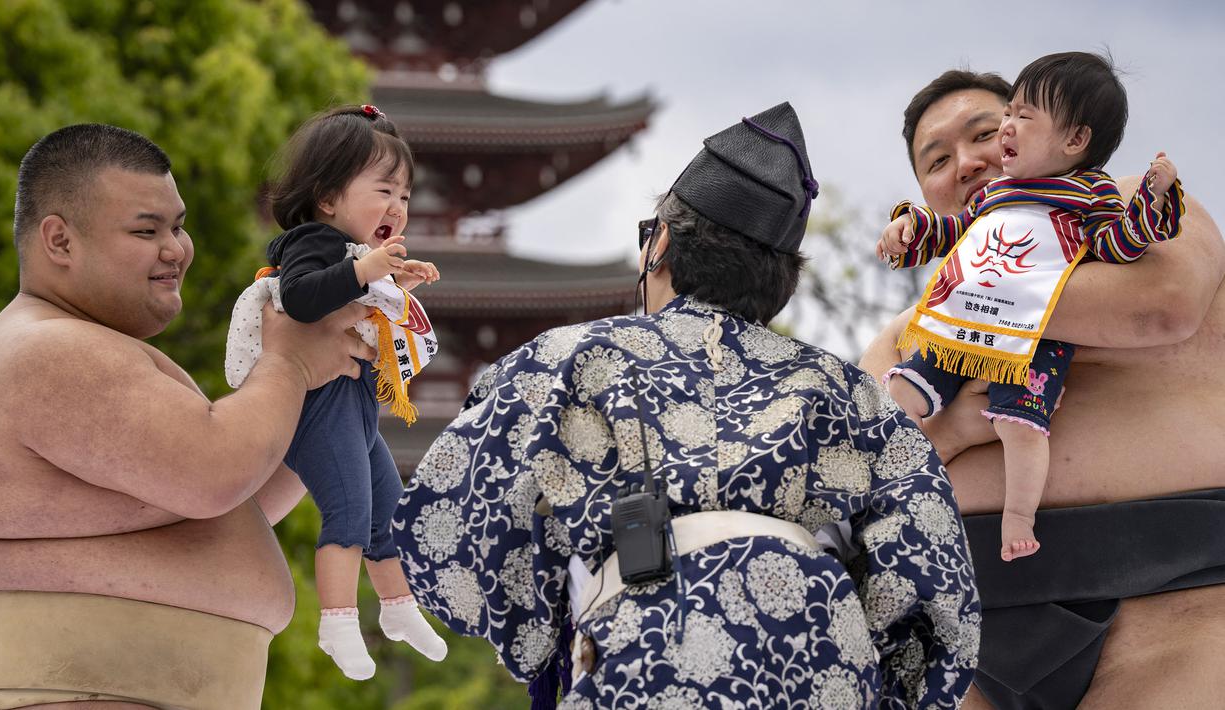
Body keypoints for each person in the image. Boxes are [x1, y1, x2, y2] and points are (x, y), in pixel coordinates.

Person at [393, 103, 980, 708]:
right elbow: (931, 569)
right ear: (782, 282)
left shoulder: (566, 359)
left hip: (640, 652)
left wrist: (547, 629)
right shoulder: (849, 393)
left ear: (662, 243)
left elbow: (450, 530)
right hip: (820, 658)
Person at [861, 69, 1225, 709]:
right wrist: (955, 428)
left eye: (983, 133)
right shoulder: (904, 336)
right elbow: (858, 478)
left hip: (1174, 599)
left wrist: (963, 305)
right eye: (938, 160)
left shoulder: (1134, 206)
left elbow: (1164, 307)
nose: (968, 162)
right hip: (965, 646)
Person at [0, 124, 374, 708]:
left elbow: (238, 500)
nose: (176, 249)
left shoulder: (76, 349)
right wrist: (290, 367)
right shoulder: (49, 351)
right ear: (60, 241)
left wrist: (326, 378)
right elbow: (212, 473)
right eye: (146, 230)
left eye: (178, 225)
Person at [875, 52, 1183, 562]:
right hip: (955, 332)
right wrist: (907, 231)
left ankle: (1019, 516)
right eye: (937, 160)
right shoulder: (991, 199)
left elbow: (1123, 248)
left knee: (1019, 425)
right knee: (900, 389)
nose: (989, 149)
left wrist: (1151, 202)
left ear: (1074, 140)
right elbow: (949, 232)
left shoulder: (1094, 193)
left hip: (1033, 347)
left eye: (993, 129)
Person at [224, 104, 446, 680]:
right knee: (348, 508)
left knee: (388, 513)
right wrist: (367, 270)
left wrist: (393, 279)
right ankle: (339, 622)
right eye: (384, 190)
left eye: (404, 195)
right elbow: (301, 298)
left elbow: (355, 300)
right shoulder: (311, 243)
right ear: (328, 199)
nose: (397, 207)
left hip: (355, 405)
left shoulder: (349, 254)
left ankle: (398, 609)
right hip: (317, 406)